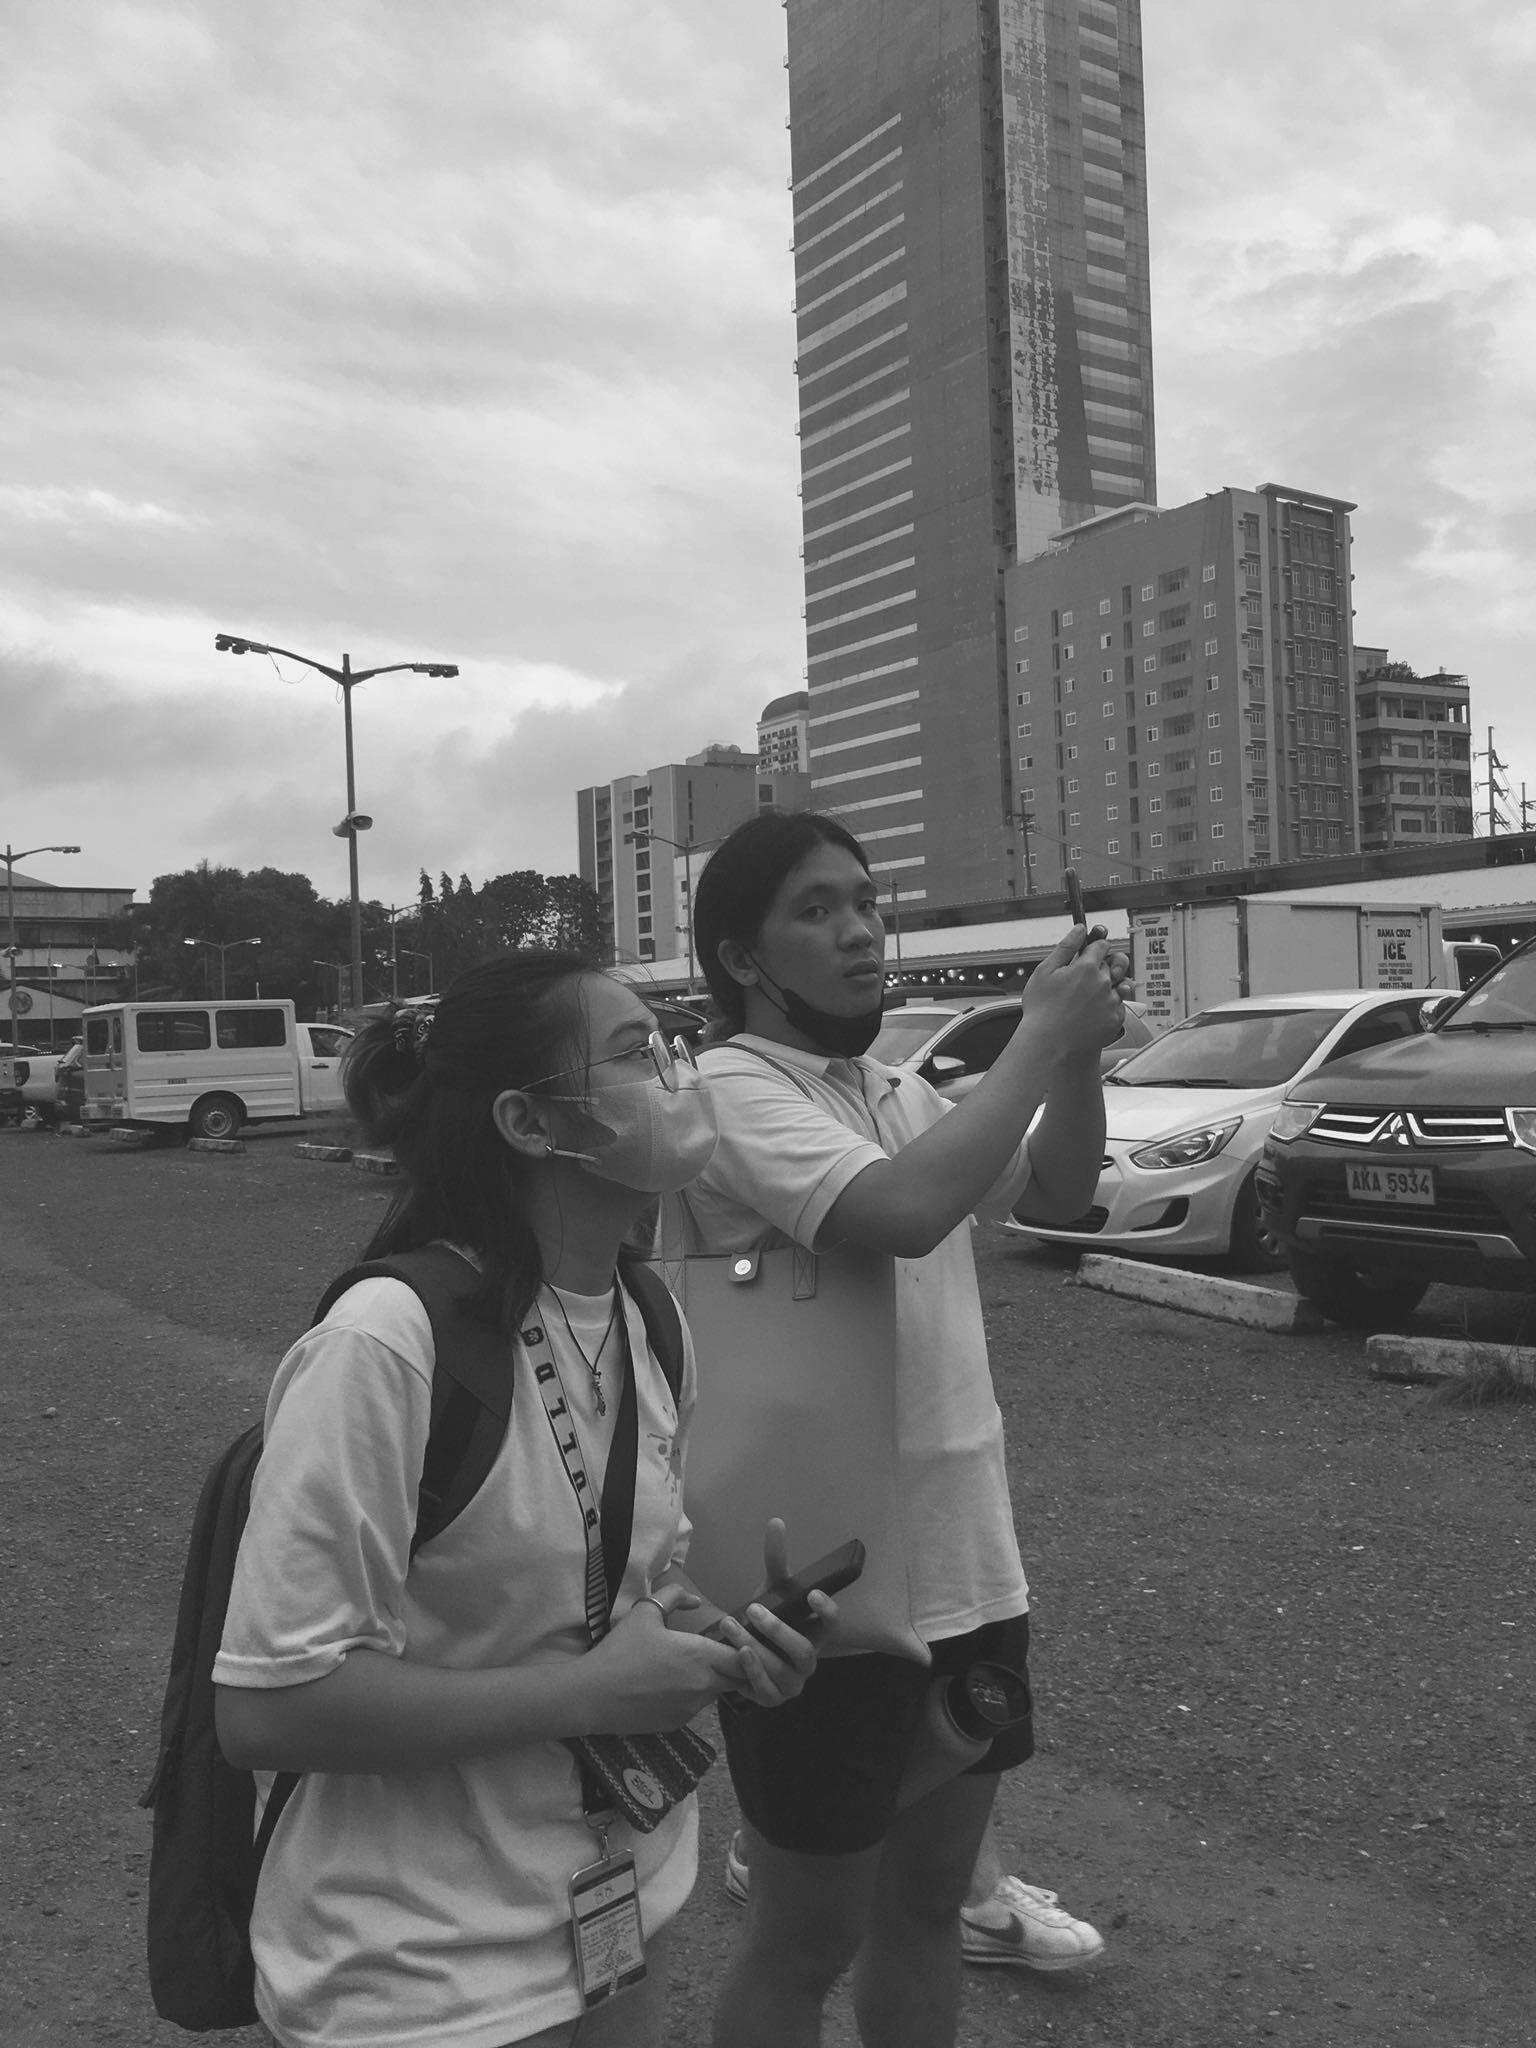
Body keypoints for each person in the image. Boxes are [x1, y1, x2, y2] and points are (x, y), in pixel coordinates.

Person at [212, 952, 830, 2048]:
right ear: (530, 1122)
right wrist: (590, 1693)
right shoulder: (385, 1345)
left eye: (674, 1046)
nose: (681, 1076)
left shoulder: (651, 1315)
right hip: (420, 1968)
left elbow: (634, 1584)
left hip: (620, 1915)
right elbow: (270, 1706)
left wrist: (725, 1641)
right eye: (638, 1054)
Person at [680, 814, 1128, 2048]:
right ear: (742, 957)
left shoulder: (894, 1089)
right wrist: (1039, 1032)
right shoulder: (729, 1088)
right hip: (815, 1578)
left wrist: (1077, 1057)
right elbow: (904, 1209)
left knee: (927, 1903)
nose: (860, 930)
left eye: (867, 902)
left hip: (964, 1557)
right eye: (817, 908)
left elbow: (1059, 1190)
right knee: (805, 1936)